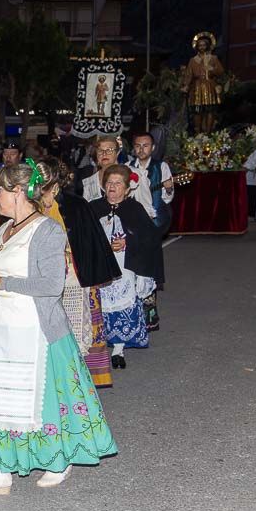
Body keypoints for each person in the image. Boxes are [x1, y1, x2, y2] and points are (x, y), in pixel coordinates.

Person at [0, 161, 118, 498]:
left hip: (37, 333)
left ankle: (57, 460)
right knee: (1, 399)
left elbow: (50, 284)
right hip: (2, 332)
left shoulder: (48, 230)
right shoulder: (3, 231)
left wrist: (2, 280)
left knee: (40, 402)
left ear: (18, 193)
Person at [39, 158, 120, 389]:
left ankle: (83, 378)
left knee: (81, 329)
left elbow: (88, 242)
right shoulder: (30, 205)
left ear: (54, 185)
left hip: (75, 275)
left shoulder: (76, 205)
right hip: (44, 276)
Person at [90, 165, 164, 370]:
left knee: (123, 303)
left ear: (127, 188)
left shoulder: (134, 209)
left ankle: (118, 349)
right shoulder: (94, 207)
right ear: (103, 186)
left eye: (117, 183)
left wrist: (127, 242)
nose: (112, 187)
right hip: (101, 266)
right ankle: (98, 344)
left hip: (126, 266)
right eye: (109, 183)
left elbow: (149, 238)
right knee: (100, 304)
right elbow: (83, 235)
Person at [127, 132, 174, 331]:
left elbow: (167, 198)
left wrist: (170, 189)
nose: (141, 149)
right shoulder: (128, 168)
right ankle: (131, 311)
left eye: (146, 145)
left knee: (149, 267)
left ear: (153, 148)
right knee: (131, 268)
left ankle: (150, 314)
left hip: (153, 224)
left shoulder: (161, 167)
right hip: (132, 225)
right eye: (138, 146)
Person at [82, 136, 121, 201]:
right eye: (100, 150)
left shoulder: (130, 175)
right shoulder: (89, 182)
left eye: (109, 150)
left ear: (117, 153)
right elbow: (86, 208)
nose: (104, 154)